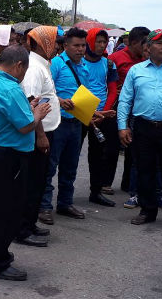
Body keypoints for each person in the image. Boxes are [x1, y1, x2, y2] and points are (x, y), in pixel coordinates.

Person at [0, 45, 51, 280]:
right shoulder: (10, 88)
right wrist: (37, 114)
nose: (24, 75)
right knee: (6, 210)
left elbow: (2, 116)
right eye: (24, 70)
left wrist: (27, 110)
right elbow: (25, 125)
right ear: (19, 66)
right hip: (8, 156)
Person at [117, 29, 162, 233]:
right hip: (143, 127)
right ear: (148, 47)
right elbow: (125, 99)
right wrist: (122, 126)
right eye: (159, 43)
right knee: (145, 171)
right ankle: (148, 211)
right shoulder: (136, 70)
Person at [38, 27, 89, 225]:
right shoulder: (55, 65)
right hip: (57, 124)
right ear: (65, 46)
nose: (80, 49)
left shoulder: (83, 65)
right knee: (50, 166)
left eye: (83, 45)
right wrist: (60, 100)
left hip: (76, 122)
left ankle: (65, 203)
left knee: (71, 166)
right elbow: (44, 92)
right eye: (76, 45)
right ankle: (44, 207)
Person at [16, 25, 61, 247]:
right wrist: (40, 135)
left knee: (39, 180)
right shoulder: (34, 66)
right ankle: (22, 229)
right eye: (54, 41)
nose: (57, 46)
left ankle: (29, 223)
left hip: (44, 131)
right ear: (44, 43)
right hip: (37, 133)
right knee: (32, 182)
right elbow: (32, 103)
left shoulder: (42, 64)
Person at [108, 26, 150, 204]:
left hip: (139, 109)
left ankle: (127, 184)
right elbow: (108, 82)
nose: (147, 47)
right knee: (112, 146)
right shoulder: (115, 58)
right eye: (144, 43)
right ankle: (105, 183)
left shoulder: (147, 60)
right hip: (118, 106)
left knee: (133, 149)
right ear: (133, 43)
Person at [82, 28, 119, 207]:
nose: (101, 45)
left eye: (104, 42)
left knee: (98, 155)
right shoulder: (78, 62)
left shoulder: (109, 63)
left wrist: (102, 113)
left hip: (102, 115)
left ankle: (95, 192)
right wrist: (88, 113)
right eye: (98, 41)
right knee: (71, 155)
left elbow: (112, 90)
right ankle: (64, 197)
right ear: (90, 42)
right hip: (80, 113)